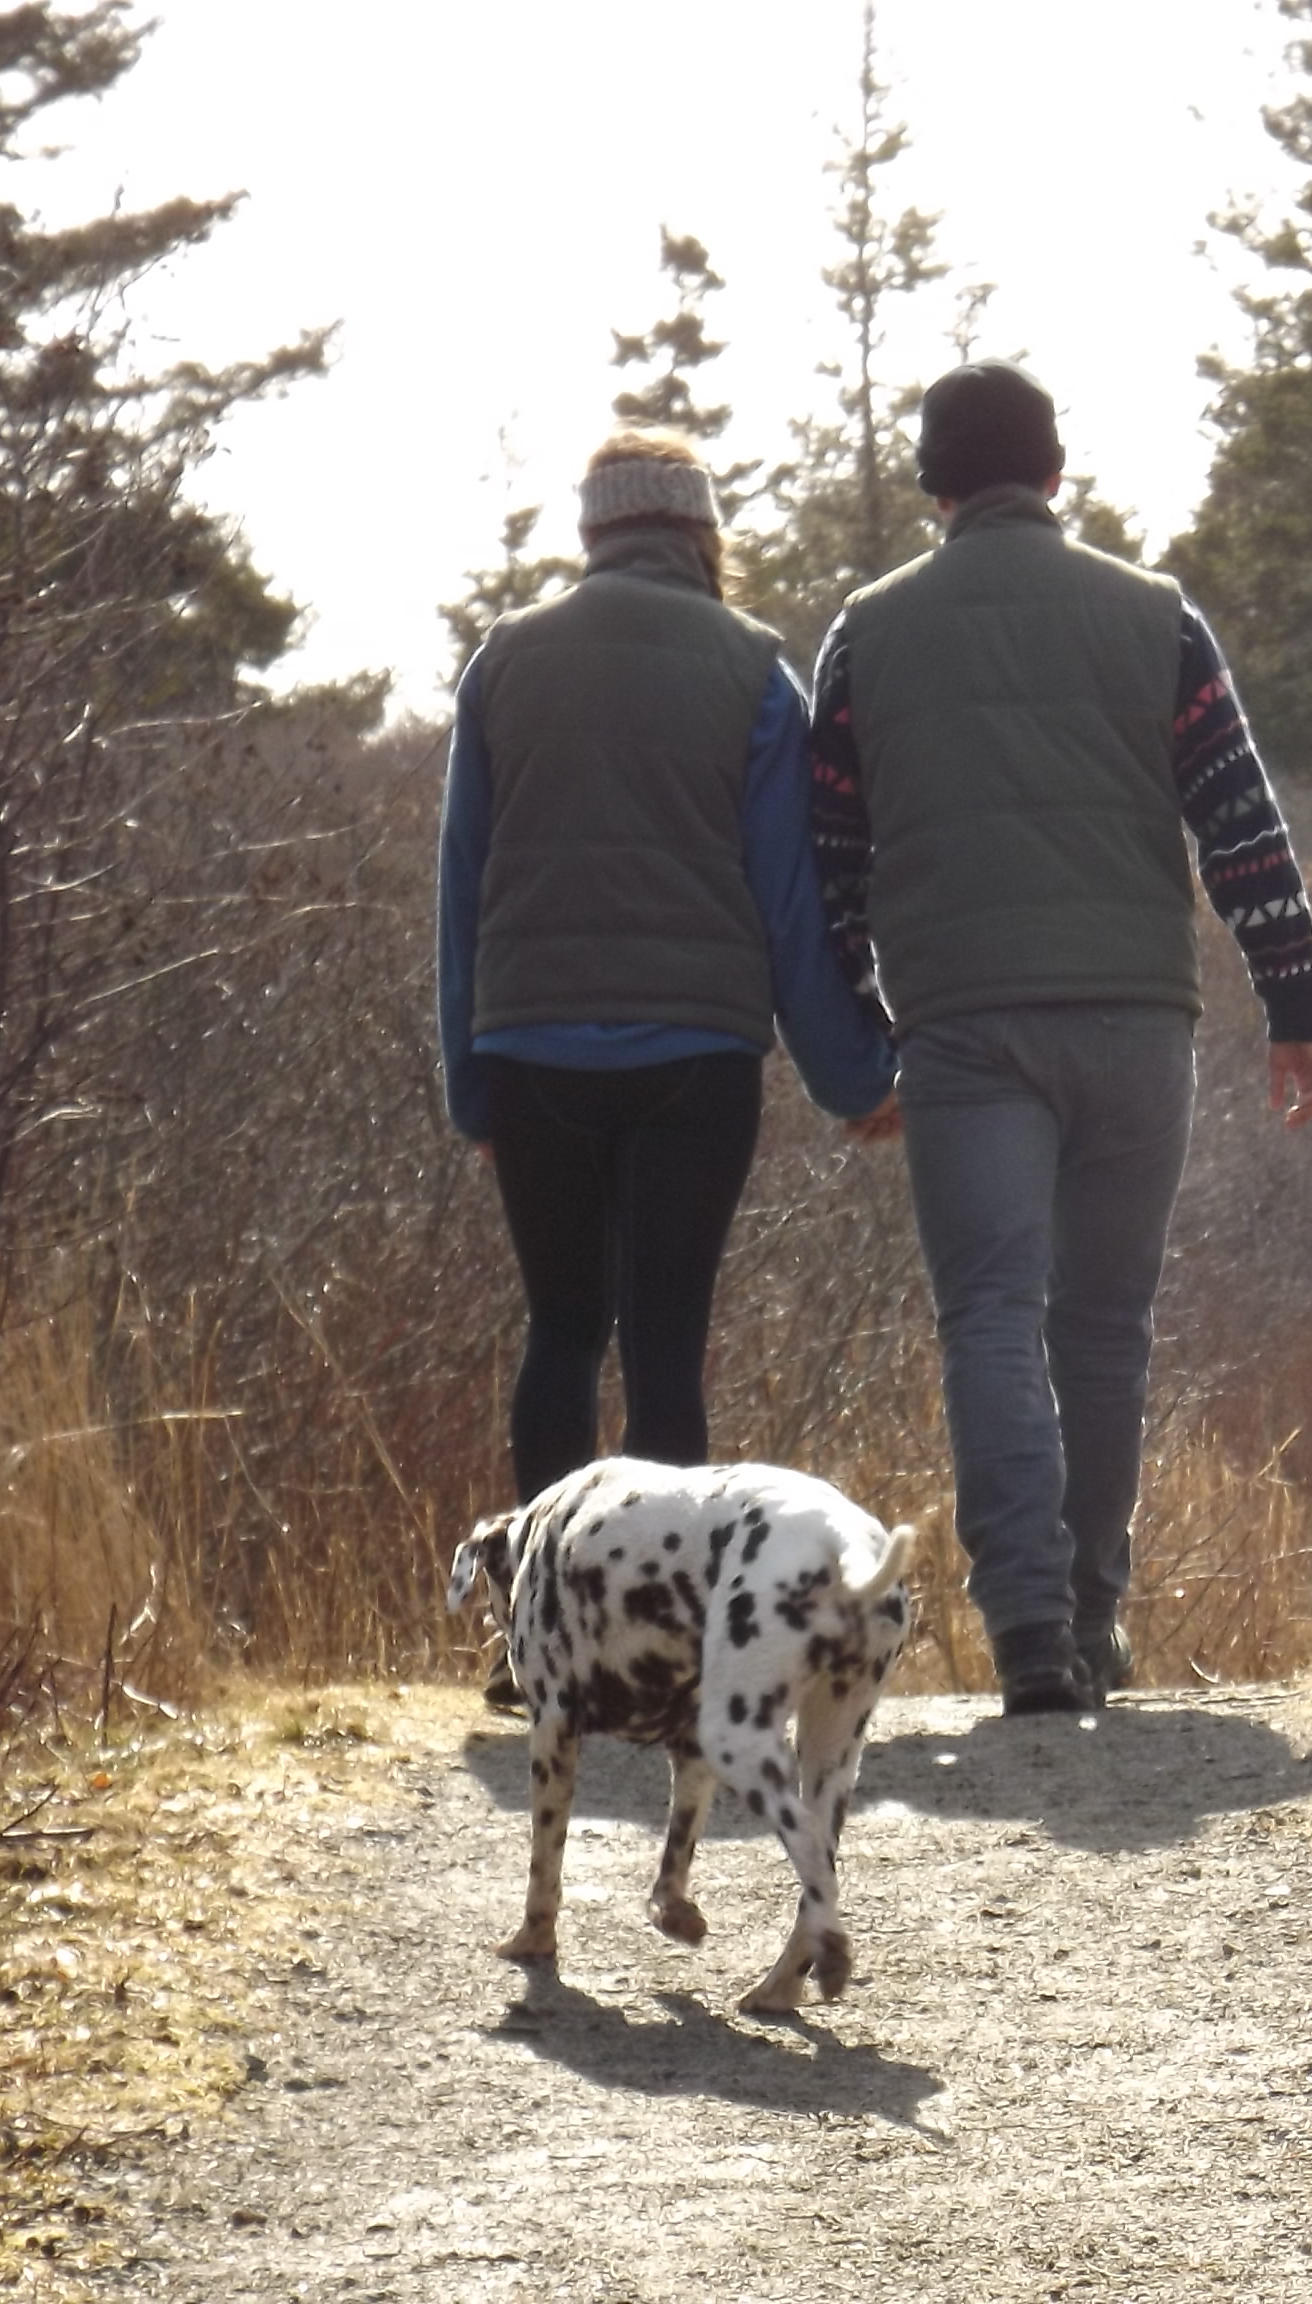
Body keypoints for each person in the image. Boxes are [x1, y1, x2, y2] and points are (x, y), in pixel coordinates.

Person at [808, 362, 1312, 1716]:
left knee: (990, 1312)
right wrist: (1295, 1007)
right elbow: (1240, 822)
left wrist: (859, 1038)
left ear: (933, 486)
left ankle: (1029, 1632)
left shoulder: (867, 634)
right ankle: (1095, 1618)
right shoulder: (1157, 616)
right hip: (1135, 1019)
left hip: (964, 1026)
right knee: (1103, 1326)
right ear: (1054, 473)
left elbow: (829, 861)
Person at [439, 431, 897, 1702]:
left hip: (530, 1041)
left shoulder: (502, 662)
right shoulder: (753, 670)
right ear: (701, 534)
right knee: (664, 1348)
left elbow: (461, 885)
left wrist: (470, 1082)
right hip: (697, 1052)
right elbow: (792, 901)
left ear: (592, 534)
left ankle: (536, 1648)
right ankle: (668, 1648)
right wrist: (854, 1076)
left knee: (561, 1330)